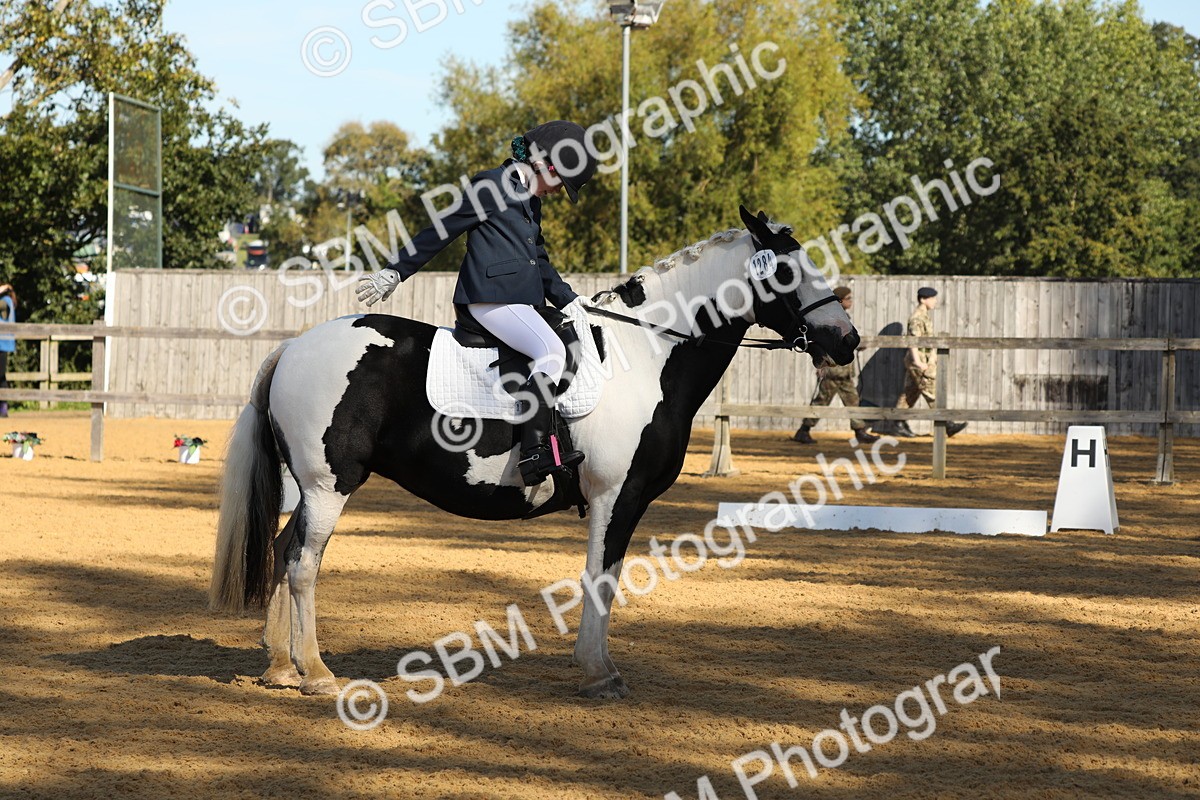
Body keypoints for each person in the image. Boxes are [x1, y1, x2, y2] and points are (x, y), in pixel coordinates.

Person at [356, 120, 597, 486]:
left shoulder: (531, 199)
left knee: (562, 338)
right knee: (551, 351)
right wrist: (395, 272)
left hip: (519, 302)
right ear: (548, 165)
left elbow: (539, 260)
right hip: (490, 299)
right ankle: (534, 453)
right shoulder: (491, 185)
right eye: (560, 184)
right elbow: (442, 229)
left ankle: (544, 438)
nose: (555, 192)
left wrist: (571, 301)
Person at [792, 286, 878, 445]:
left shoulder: (841, 316)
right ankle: (804, 430)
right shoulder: (835, 318)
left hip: (842, 371)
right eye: (848, 298)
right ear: (840, 300)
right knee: (822, 403)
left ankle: (859, 431)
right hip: (833, 369)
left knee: (851, 400)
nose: (851, 301)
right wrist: (821, 366)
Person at [888, 287, 966, 438]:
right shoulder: (917, 317)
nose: (935, 301)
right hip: (919, 361)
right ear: (923, 299)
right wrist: (918, 362)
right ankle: (947, 424)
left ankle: (897, 423)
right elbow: (913, 341)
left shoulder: (924, 316)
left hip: (922, 360)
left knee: (910, 393)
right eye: (932, 298)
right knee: (932, 392)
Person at [0, 284, 15, 418]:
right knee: (1, 376)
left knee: (0, 376)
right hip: (2, 344)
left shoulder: (5, 302)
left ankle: (3, 407)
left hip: (2, 344)